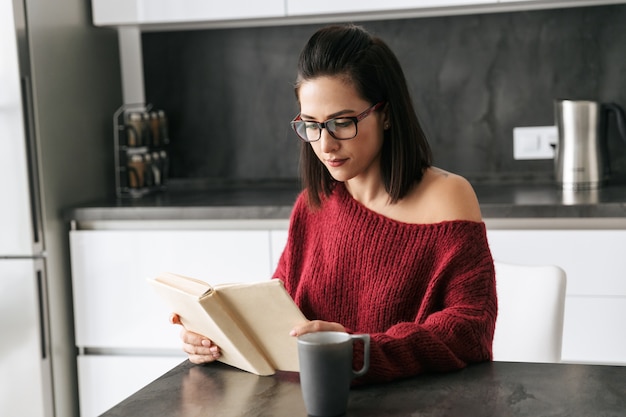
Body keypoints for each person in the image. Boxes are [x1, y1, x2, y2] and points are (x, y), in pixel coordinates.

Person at [171, 23, 497, 385]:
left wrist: (359, 351)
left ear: (386, 114)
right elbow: (280, 319)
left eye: (342, 123)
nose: (325, 145)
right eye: (311, 124)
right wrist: (217, 341)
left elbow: (470, 330)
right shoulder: (313, 205)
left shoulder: (447, 197)